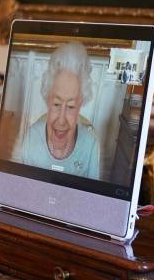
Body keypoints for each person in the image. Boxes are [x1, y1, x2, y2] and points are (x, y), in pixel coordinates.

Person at [20, 42, 100, 179]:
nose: (61, 120)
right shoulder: (31, 137)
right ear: (47, 100)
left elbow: (92, 198)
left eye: (70, 107)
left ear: (81, 104)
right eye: (56, 104)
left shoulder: (90, 146)